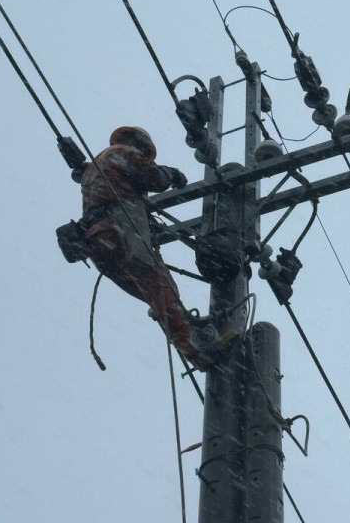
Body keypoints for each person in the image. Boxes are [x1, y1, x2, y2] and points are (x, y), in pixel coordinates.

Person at [80, 126, 237, 370]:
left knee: (158, 295)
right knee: (160, 289)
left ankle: (190, 337)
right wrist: (172, 174)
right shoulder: (121, 152)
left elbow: (115, 192)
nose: (144, 155)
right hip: (119, 231)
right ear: (138, 142)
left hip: (98, 244)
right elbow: (155, 178)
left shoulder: (92, 170)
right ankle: (196, 349)